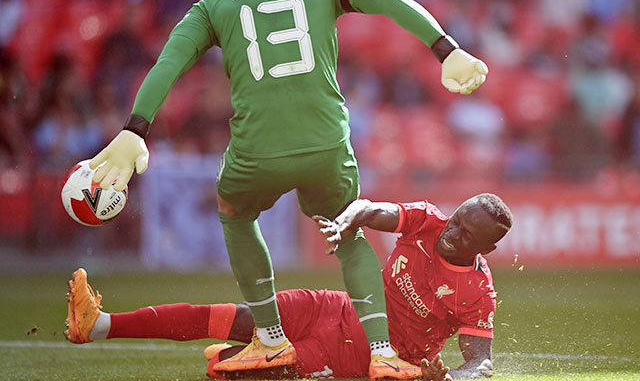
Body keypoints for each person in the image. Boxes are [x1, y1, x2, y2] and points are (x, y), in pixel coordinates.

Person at [86, 0, 488, 378]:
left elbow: (168, 65)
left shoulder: (213, 5)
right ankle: (382, 352)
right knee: (348, 227)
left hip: (258, 150)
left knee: (235, 212)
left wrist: (136, 127)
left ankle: (272, 339)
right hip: (326, 144)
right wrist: (446, 48)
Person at [65, 193, 511, 380]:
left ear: (485, 249)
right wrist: (347, 219)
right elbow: (372, 209)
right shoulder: (430, 221)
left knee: (231, 371)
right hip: (336, 307)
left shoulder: (478, 293)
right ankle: (99, 324)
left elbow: (482, 365)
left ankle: (230, 362)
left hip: (368, 350)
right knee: (236, 315)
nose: (453, 232)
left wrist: (451, 377)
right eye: (458, 220)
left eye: (469, 234)